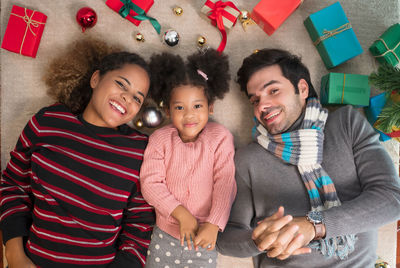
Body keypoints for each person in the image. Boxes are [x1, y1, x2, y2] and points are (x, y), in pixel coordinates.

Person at [216, 48, 400, 268]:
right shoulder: (248, 160)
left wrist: (314, 225)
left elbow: (392, 199)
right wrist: (259, 239)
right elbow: (225, 238)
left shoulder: (346, 124)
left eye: (273, 91)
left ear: (302, 88)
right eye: (255, 100)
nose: (262, 105)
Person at [0, 40, 155, 268]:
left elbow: (139, 226)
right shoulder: (48, 122)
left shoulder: (140, 150)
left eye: (137, 98)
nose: (127, 98)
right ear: (96, 79)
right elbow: (13, 184)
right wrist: (14, 254)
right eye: (122, 85)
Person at [140, 48, 237, 268]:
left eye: (197, 106)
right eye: (180, 107)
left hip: (205, 234)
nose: (189, 114)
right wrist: (181, 215)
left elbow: (225, 183)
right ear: (167, 111)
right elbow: (150, 184)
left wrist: (214, 224)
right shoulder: (159, 139)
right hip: (166, 232)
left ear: (210, 107)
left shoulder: (220, 137)